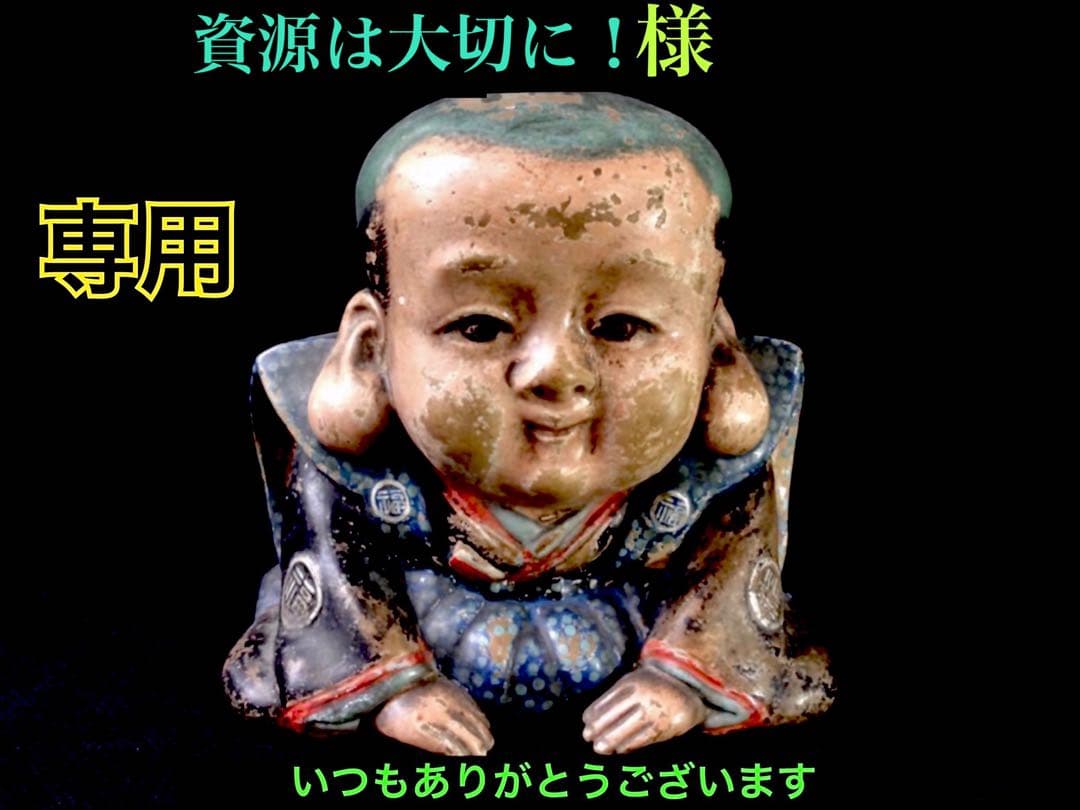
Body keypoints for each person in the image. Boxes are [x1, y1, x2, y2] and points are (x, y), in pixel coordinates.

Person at [223, 92, 832, 756]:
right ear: (374, 347)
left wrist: (683, 683)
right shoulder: (355, 480)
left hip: (636, 623)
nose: (555, 372)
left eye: (622, 327)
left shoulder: (715, 483)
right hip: (428, 626)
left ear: (714, 348)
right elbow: (336, 585)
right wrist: (393, 690)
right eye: (480, 327)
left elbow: (732, 588)